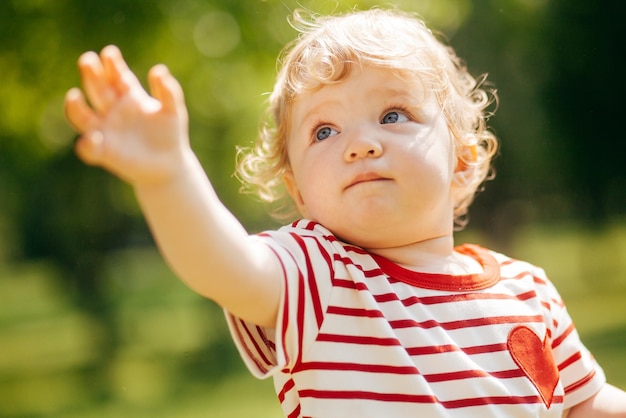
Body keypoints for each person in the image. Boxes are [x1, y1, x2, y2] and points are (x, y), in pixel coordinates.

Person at [64, 7, 626, 417]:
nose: (359, 144)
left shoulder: (529, 291)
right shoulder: (320, 276)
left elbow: (583, 403)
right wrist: (168, 175)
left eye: (392, 114)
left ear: (461, 158)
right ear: (299, 190)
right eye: (325, 130)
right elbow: (221, 264)